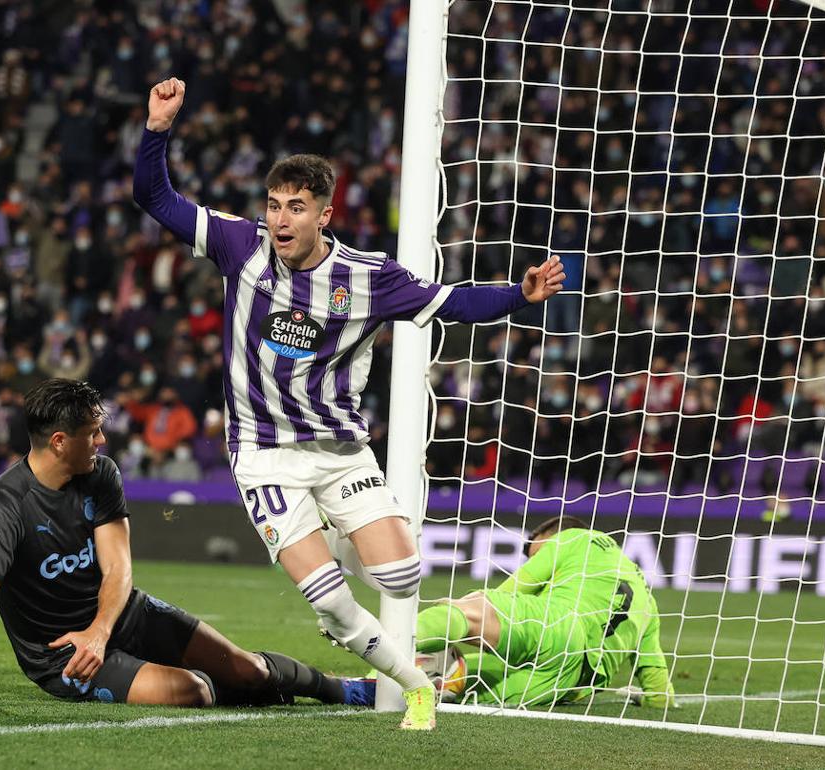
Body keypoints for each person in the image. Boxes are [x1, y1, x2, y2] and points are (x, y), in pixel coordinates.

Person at [133, 77, 566, 730]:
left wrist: (518, 295)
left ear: (323, 215)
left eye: (296, 207)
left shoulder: (368, 279)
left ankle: (333, 534)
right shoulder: (238, 246)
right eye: (275, 205)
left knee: (402, 577)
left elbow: (453, 302)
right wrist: (157, 129)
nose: (281, 219)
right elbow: (153, 197)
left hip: (340, 451)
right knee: (333, 606)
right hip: (265, 455)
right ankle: (418, 686)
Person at [0, 378, 371, 708]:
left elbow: (118, 568)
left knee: (246, 670)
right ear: (59, 442)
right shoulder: (6, 508)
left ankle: (347, 689)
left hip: (121, 616)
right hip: (64, 659)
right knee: (192, 690)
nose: (101, 440)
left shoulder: (101, 475)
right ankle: (251, 692)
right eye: (91, 433)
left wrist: (100, 631)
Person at [411, 515, 675, 709]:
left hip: (559, 627)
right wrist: (647, 697)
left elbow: (509, 593)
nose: (534, 562)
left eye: (536, 555)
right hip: (564, 684)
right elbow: (660, 693)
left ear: (554, 538)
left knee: (470, 611)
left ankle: (389, 642)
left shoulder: (574, 538)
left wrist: (468, 614)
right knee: (460, 681)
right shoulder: (648, 603)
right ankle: (376, 685)